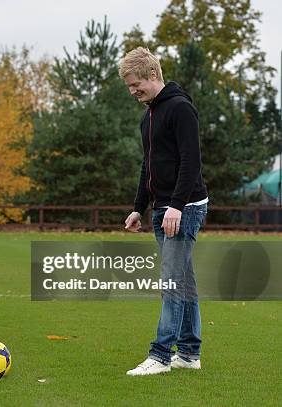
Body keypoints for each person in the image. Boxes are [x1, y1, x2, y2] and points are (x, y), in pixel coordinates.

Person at [119, 48, 208, 376]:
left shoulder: (181, 108)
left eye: (136, 84)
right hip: (164, 208)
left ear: (153, 75)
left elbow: (191, 162)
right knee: (183, 281)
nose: (132, 91)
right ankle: (188, 352)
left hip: (184, 207)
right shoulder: (149, 116)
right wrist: (138, 208)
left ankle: (160, 355)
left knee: (172, 280)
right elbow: (149, 166)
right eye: (129, 86)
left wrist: (177, 206)